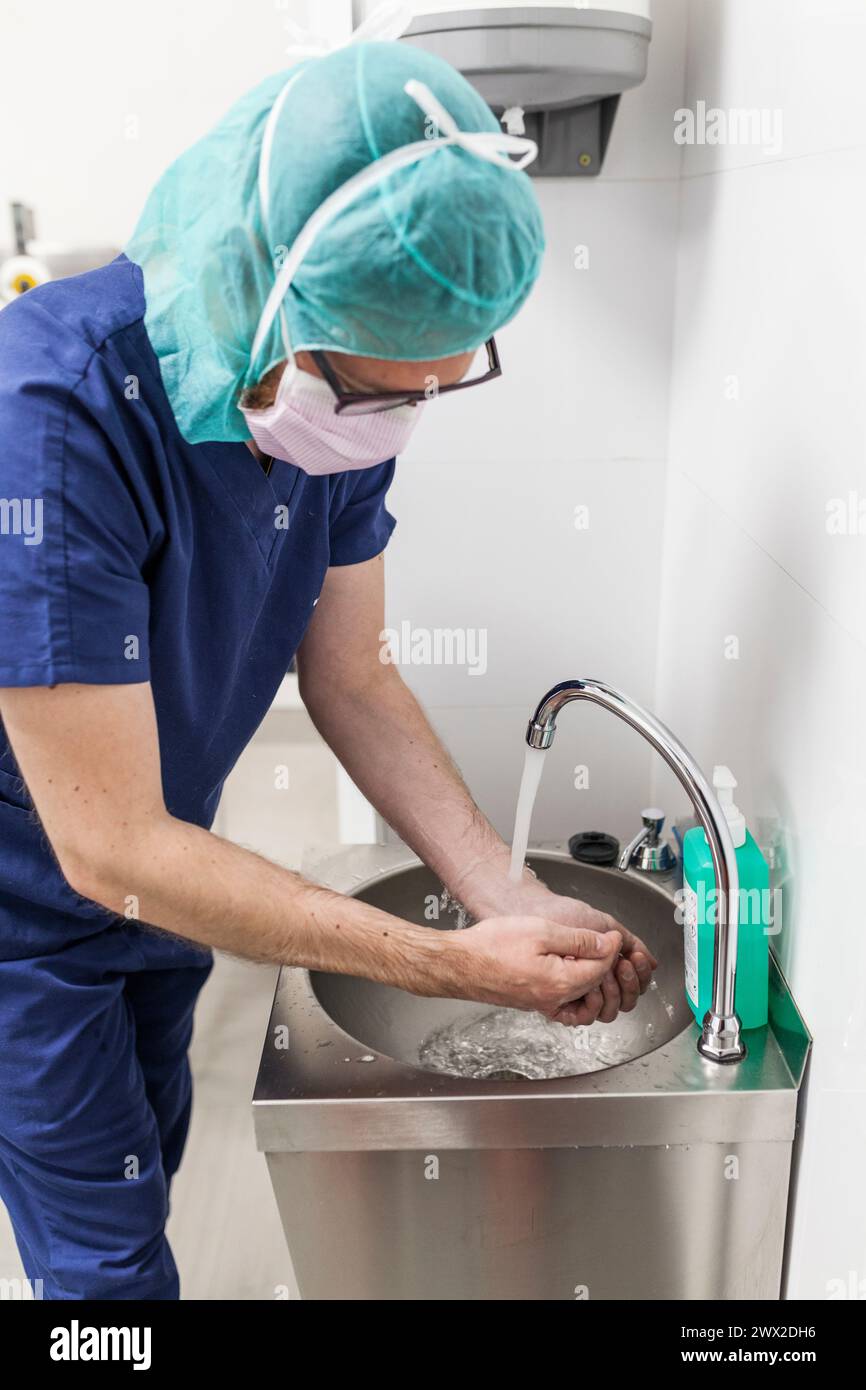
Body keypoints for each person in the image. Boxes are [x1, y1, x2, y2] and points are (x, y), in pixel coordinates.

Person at [0, 40, 656, 1299]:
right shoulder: (53, 411)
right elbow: (106, 847)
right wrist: (437, 958)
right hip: (35, 909)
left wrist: (500, 894)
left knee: (151, 1156)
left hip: (166, 868)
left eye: (426, 394)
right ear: (271, 293)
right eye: (371, 391)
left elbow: (349, 674)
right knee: (104, 1275)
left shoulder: (331, 388)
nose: (384, 428)